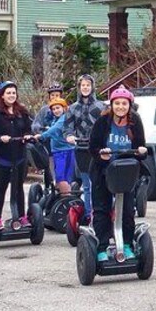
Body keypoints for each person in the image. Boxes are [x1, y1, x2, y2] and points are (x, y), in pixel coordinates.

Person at [89, 86, 147, 261]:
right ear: (112, 105)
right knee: (102, 209)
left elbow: (141, 146)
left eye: (124, 103)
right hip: (103, 170)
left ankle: (127, 244)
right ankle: (101, 247)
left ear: (129, 105)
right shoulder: (103, 122)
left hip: (126, 172)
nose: (121, 106)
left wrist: (142, 151)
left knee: (128, 210)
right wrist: (102, 153)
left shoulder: (135, 121)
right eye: (117, 103)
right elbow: (93, 148)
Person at [0, 81, 34, 229]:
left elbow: (28, 128)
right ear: (2, 95)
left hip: (19, 155)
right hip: (2, 157)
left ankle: (22, 216)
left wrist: (27, 136)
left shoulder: (22, 112)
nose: (11, 95)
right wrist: (0, 138)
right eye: (8, 93)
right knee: (1, 187)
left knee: (19, 187)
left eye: (13, 93)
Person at [64, 74, 105, 220]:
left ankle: (104, 214)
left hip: (98, 149)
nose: (85, 88)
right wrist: (69, 136)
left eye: (88, 85)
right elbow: (67, 128)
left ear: (92, 87)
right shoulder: (73, 108)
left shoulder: (101, 107)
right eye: (83, 85)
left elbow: (106, 127)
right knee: (87, 185)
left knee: (100, 183)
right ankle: (89, 215)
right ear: (79, 88)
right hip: (81, 149)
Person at [36, 98, 74, 194]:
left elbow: (54, 129)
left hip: (65, 151)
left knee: (62, 177)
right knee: (58, 177)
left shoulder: (64, 118)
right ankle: (61, 196)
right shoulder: (55, 119)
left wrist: (42, 136)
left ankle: (66, 198)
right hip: (57, 152)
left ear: (64, 108)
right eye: (53, 109)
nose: (56, 111)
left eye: (58, 108)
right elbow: (48, 123)